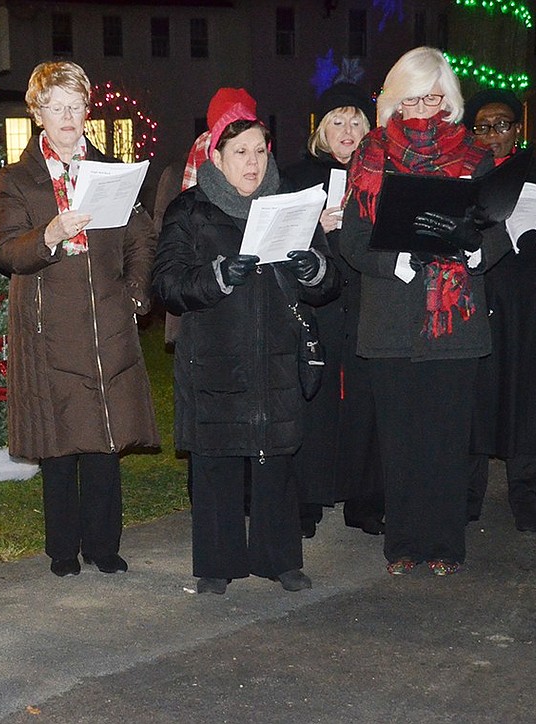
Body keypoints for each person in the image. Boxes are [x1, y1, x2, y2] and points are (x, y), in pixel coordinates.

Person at [153, 88, 339, 595]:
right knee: (216, 463)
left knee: (276, 458)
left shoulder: (291, 204)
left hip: (276, 357)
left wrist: (313, 267)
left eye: (260, 150)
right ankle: (217, 564)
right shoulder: (190, 211)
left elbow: (327, 284)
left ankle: (280, 558)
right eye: (240, 152)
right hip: (215, 358)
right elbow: (166, 284)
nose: (253, 162)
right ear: (216, 155)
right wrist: (215, 277)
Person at [339, 47, 512, 576]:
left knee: (446, 438)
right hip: (393, 318)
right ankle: (404, 543)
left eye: (433, 96)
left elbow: (496, 231)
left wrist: (476, 254)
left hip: (455, 321)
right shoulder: (371, 155)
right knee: (400, 439)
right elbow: (353, 240)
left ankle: (445, 544)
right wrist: (397, 266)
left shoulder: (475, 157)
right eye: (412, 96)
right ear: (395, 98)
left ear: (448, 98)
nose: (422, 106)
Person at [0, 61, 159, 578]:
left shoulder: (113, 170)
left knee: (104, 441)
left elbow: (141, 239)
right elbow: (5, 252)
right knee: (59, 441)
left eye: (76, 106)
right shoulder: (17, 179)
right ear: (38, 113)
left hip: (105, 318)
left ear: (88, 110)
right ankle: (63, 549)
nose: (68, 116)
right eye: (57, 107)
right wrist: (49, 232)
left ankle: (103, 545)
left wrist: (134, 291)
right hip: (47, 324)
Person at [464, 89, 536, 532]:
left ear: (518, 129)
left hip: (528, 298)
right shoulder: (461, 174)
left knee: (526, 395)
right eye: (483, 126)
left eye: (502, 125)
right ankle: (470, 492)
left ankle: (524, 491)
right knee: (475, 394)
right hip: (475, 294)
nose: (493, 135)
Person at [285, 81, 385, 539]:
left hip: (367, 301)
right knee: (313, 399)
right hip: (317, 307)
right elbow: (277, 244)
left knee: (366, 401)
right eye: (337, 122)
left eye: (356, 121)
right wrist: (314, 229)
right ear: (320, 130)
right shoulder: (297, 177)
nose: (347, 132)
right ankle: (306, 499)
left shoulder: (383, 172)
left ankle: (365, 500)